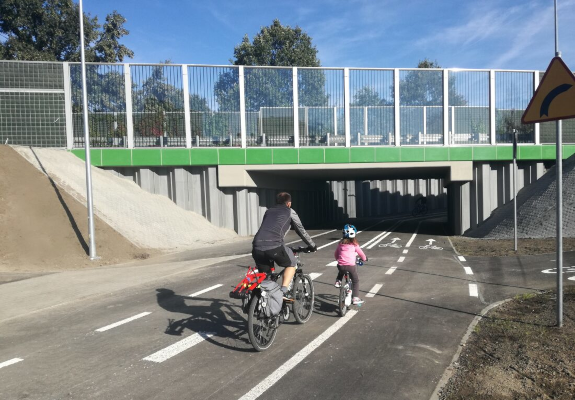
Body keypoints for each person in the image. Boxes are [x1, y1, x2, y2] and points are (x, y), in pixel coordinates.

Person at [252, 192, 317, 299]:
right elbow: (300, 230)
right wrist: (312, 245)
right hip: (274, 246)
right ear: (289, 203)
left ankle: (264, 304)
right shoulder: (290, 212)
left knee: (266, 279)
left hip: (256, 246)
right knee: (292, 263)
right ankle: (283, 291)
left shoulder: (268, 211)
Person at [334, 224, 367, 305]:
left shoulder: (340, 244)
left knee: (341, 271)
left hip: (341, 266)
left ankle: (338, 281)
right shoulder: (355, 245)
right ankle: (355, 298)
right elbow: (361, 254)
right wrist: (364, 259)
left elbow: (336, 254)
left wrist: (338, 259)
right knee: (355, 280)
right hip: (351, 266)